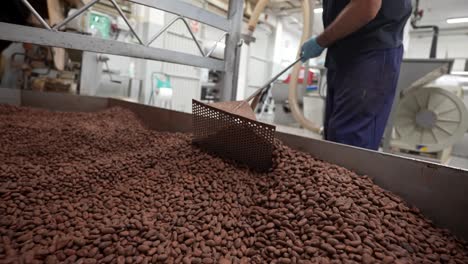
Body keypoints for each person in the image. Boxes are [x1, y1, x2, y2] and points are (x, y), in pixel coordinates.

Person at [301, 0, 412, 150]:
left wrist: (321, 41)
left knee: (349, 141)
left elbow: (367, 6)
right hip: (343, 53)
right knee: (334, 136)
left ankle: (343, 174)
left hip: (370, 50)